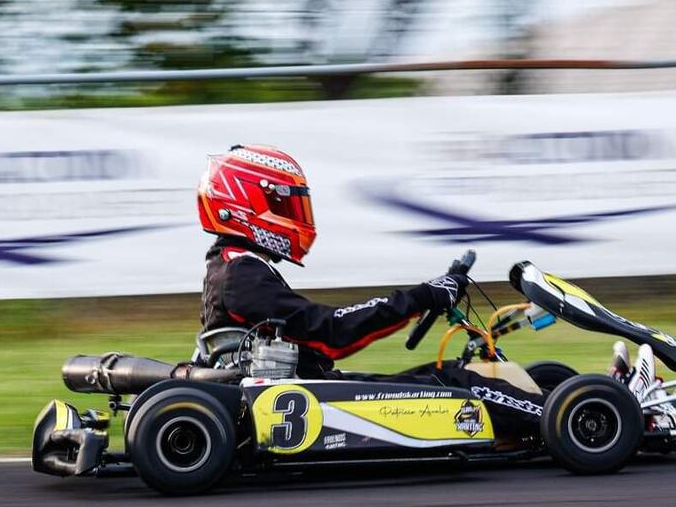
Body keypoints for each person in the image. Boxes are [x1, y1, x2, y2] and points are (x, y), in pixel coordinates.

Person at [198, 144, 543, 435]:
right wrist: (422, 297)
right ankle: (569, 417)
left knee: (447, 376)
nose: (294, 216)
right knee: (459, 384)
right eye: (284, 205)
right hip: (310, 399)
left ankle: (559, 403)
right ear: (245, 205)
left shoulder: (230, 266)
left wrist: (421, 299)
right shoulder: (241, 275)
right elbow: (333, 332)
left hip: (308, 387)